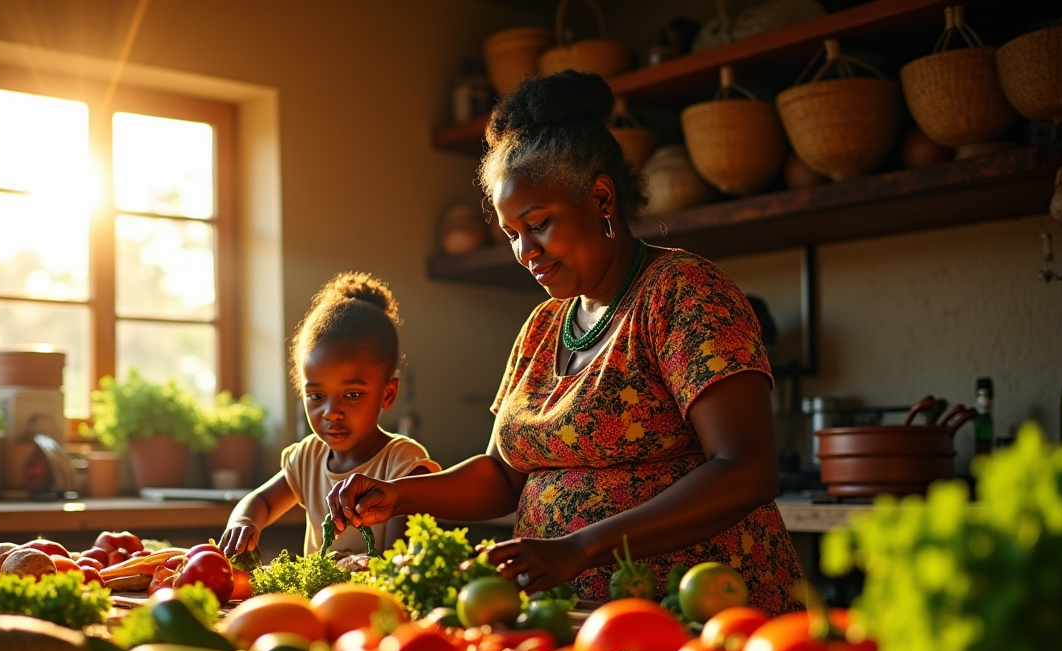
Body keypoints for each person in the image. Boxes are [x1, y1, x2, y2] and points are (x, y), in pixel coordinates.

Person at [327, 71, 805, 613]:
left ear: (601, 197)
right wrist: (400, 495)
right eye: (512, 234)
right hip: (573, 619)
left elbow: (745, 467)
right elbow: (502, 475)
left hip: (699, 614)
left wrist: (582, 547)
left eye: (539, 223)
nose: (525, 250)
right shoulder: (541, 327)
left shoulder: (682, 294)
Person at [219, 272, 440, 560]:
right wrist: (243, 522)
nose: (331, 412)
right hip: (319, 606)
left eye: (351, 395)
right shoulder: (307, 457)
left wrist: (364, 566)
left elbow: (400, 561)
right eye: (317, 396)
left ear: (387, 393)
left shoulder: (404, 462)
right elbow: (260, 500)